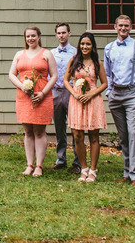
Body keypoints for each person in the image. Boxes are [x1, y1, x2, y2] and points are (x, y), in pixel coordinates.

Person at [103, 14, 135, 186]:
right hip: (116, 95)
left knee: (133, 134)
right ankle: (126, 172)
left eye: (127, 26)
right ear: (115, 27)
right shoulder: (109, 48)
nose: (123, 28)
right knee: (123, 136)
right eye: (120, 25)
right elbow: (107, 73)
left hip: (133, 94)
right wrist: (109, 92)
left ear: (131, 27)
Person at [8, 26, 58, 177]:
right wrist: (22, 86)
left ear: (39, 37)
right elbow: (11, 74)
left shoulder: (46, 54)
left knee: (40, 132)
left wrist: (43, 93)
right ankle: (29, 164)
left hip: (41, 96)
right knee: (28, 131)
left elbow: (54, 76)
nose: (30, 39)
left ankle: (39, 166)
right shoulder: (19, 54)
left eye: (33, 36)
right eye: (28, 36)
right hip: (24, 96)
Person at [63, 32, 108, 182]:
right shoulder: (74, 61)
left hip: (93, 100)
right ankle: (84, 168)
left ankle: (93, 170)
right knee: (77, 136)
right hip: (76, 100)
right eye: (82, 44)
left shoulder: (97, 63)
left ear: (92, 46)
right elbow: (65, 80)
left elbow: (104, 83)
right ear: (79, 45)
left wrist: (91, 94)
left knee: (94, 136)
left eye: (88, 44)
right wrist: (74, 93)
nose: (85, 46)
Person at [51, 22, 79, 173]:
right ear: (56, 35)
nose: (61, 35)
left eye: (64, 33)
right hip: (55, 92)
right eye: (59, 33)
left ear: (69, 34)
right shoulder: (51, 54)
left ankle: (77, 162)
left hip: (71, 92)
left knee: (75, 126)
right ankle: (61, 159)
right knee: (59, 127)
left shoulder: (75, 53)